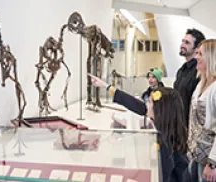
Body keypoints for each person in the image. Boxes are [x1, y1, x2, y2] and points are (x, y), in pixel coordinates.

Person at [88, 73, 188, 182]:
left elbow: (164, 175)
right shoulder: (167, 131)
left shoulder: (167, 144)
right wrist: (106, 86)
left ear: (160, 109)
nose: (146, 105)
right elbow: (134, 104)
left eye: (149, 102)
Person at [185, 39, 216, 182]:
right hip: (196, 155)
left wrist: (212, 163)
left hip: (209, 159)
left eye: (200, 54)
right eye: (196, 53)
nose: (196, 57)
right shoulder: (201, 84)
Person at [173, 28, 206, 128]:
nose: (182, 45)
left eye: (187, 43)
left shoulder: (199, 72)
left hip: (191, 127)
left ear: (197, 49)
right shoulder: (181, 70)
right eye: (183, 41)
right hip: (179, 125)